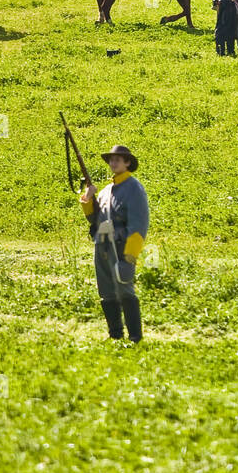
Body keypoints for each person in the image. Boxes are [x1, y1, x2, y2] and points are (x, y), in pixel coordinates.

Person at [79, 143, 149, 343]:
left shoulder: (134, 188)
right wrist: (88, 199)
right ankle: (115, 335)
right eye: (111, 159)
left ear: (127, 163)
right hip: (102, 247)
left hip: (121, 247)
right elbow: (95, 220)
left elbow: (139, 224)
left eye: (118, 159)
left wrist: (130, 255)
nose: (114, 162)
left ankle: (135, 337)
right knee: (107, 292)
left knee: (125, 290)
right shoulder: (106, 191)